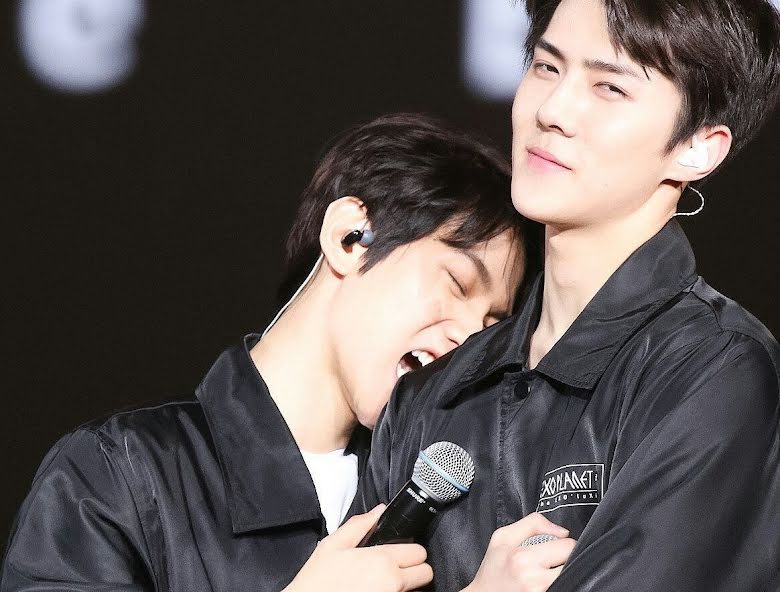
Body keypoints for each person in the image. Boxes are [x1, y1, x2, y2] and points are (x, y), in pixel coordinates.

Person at [1, 113, 541, 591]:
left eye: (493, 325)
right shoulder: (116, 475)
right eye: (458, 283)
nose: (471, 339)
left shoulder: (450, 503)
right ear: (350, 237)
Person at [351, 2, 780, 591]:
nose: (551, 110)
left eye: (609, 88)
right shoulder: (430, 398)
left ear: (698, 147)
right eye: (546, 67)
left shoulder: (715, 373)